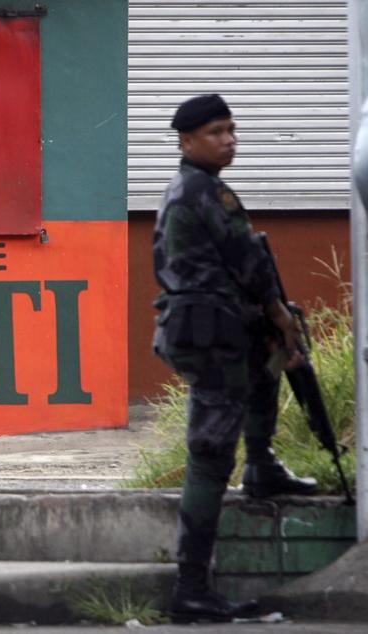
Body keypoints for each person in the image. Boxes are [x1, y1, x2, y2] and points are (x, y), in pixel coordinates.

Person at [152, 94, 319, 623]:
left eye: (231, 130)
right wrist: (280, 315)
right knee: (209, 458)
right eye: (216, 132)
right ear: (187, 141)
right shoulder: (205, 194)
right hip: (213, 333)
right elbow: (248, 264)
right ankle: (192, 587)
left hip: (220, 328)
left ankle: (263, 466)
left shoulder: (192, 190)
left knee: (264, 372)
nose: (229, 140)